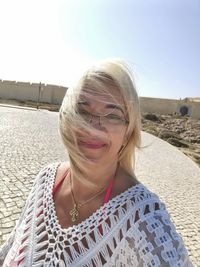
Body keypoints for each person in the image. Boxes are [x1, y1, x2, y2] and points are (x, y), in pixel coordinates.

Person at [0, 59, 193, 266]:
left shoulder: (145, 222)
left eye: (113, 115)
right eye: (83, 111)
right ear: (67, 118)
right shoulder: (45, 180)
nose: (93, 127)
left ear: (127, 134)